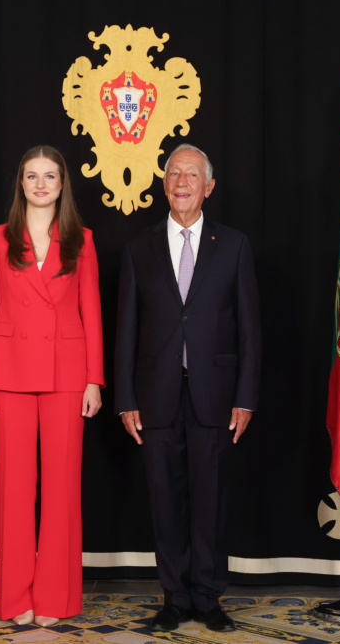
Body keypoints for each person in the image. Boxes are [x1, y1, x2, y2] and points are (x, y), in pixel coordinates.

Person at [115, 144, 261, 633]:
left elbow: (248, 328)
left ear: (209, 187)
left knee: (210, 499)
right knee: (165, 499)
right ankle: (174, 598)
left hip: (216, 395)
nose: (181, 182)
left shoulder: (234, 244)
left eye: (192, 175)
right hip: (154, 395)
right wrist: (125, 398)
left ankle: (208, 595)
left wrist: (246, 396)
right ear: (164, 183)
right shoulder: (140, 247)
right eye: (174, 173)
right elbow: (126, 329)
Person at [0, 145, 104, 626]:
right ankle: (15, 599)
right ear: (21, 184)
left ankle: (55, 598)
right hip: (7, 375)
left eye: (50, 176)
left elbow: (91, 312)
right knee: (13, 490)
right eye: (33, 176)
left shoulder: (82, 239)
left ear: (63, 183)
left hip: (67, 375)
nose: (42, 184)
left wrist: (95, 379)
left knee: (62, 489)